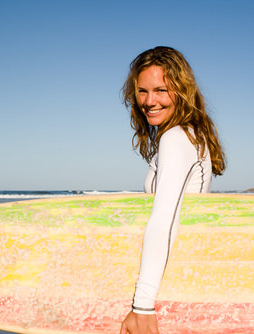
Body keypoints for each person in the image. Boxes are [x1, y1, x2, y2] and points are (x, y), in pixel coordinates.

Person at [119, 46, 226, 334]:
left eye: (160, 90)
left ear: (181, 90)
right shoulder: (192, 134)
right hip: (178, 280)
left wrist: (142, 305)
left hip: (162, 291)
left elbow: (165, 218)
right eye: (142, 91)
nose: (149, 101)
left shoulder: (176, 138)